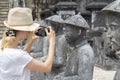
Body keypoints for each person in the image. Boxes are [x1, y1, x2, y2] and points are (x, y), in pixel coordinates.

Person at [0, 7, 55, 80]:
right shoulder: (18, 55)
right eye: (28, 30)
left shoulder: (2, 44)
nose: (29, 33)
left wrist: (30, 41)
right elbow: (47, 67)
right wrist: (52, 41)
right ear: (23, 30)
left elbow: (19, 60)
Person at [53, 14, 95, 80]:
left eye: (68, 31)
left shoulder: (85, 51)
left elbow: (84, 78)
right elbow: (72, 72)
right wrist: (62, 75)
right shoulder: (76, 49)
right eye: (64, 32)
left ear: (79, 31)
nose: (65, 35)